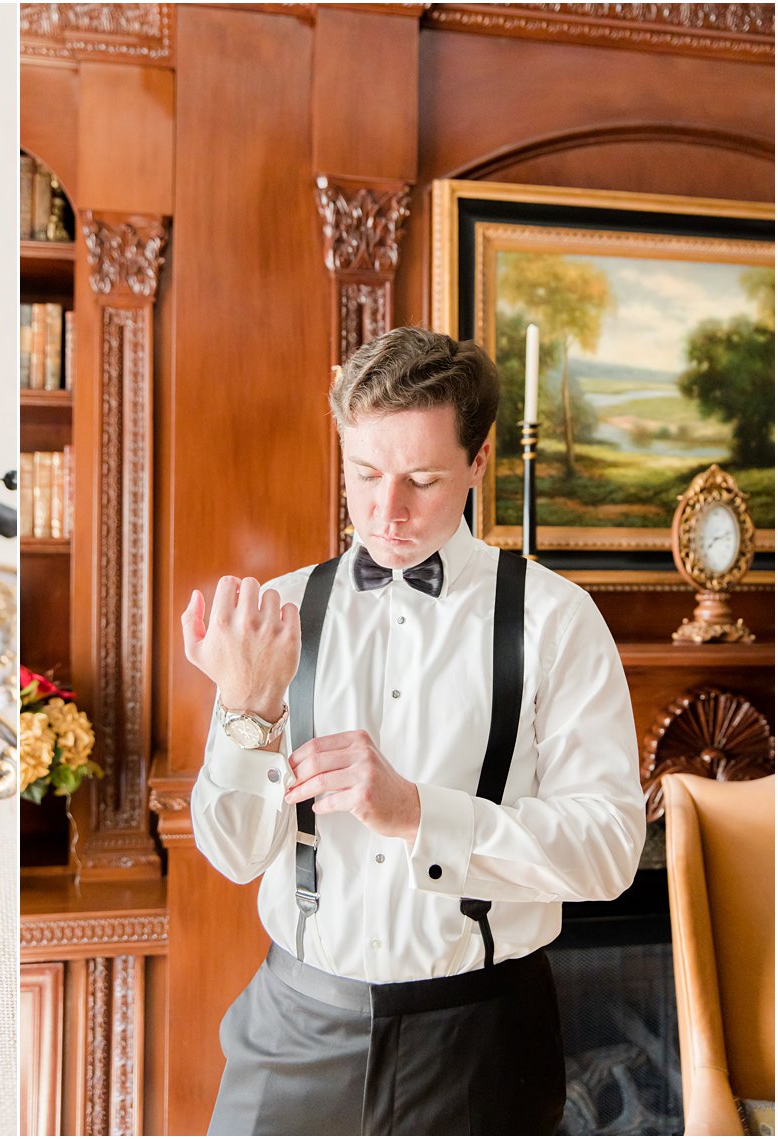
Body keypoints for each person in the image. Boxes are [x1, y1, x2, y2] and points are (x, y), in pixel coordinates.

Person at [180, 327, 646, 1135]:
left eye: (422, 479)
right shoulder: (277, 613)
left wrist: (419, 814)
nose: (386, 511)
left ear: (479, 460)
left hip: (483, 1042)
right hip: (291, 1030)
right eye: (364, 474)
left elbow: (609, 850)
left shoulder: (556, 620)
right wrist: (247, 713)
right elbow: (233, 853)